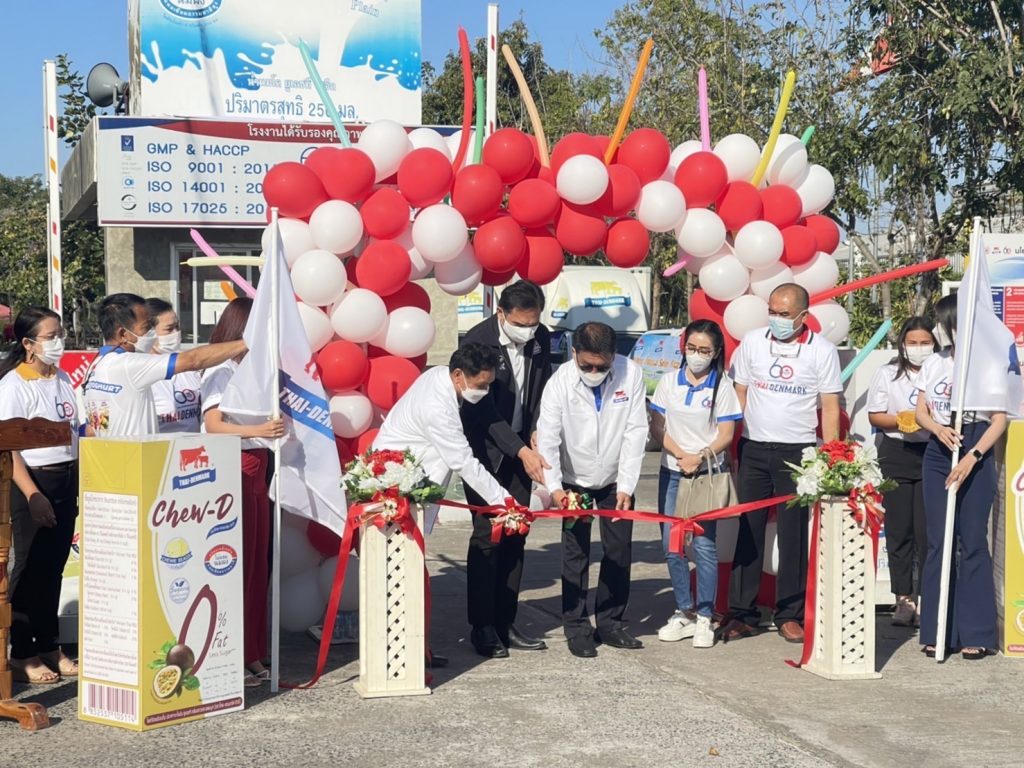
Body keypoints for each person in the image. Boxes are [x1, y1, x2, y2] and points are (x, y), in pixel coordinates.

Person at [720, 283, 842, 644]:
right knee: (748, 529)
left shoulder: (822, 351)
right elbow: (739, 393)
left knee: (793, 535)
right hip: (754, 448)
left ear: (803, 315)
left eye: (784, 314)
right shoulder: (752, 342)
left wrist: (831, 457)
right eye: (772, 311)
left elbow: (830, 407)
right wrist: (730, 444)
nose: (776, 319)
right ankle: (742, 613)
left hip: (798, 453)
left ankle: (789, 613)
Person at [536, 321, 648, 658]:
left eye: (602, 366)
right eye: (587, 366)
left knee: (618, 551)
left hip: (615, 481)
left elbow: (635, 430)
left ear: (614, 356)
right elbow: (548, 438)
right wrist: (555, 488)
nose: (595, 372)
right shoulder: (559, 383)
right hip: (574, 482)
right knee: (575, 554)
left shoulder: (631, 374)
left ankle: (611, 623)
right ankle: (576, 626)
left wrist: (627, 484)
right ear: (574, 353)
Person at [459, 280, 552, 658]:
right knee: (489, 535)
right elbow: (481, 410)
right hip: (486, 453)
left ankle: (505, 622)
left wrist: (538, 431)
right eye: (520, 324)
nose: (528, 330)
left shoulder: (541, 337)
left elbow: (541, 389)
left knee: (516, 533)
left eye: (533, 323)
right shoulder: (477, 342)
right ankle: (482, 626)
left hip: (521, 449)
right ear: (501, 313)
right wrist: (519, 449)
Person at [915, 295, 1007, 660]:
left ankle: (976, 631)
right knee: (939, 542)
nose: (940, 329)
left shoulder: (988, 365)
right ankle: (937, 630)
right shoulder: (935, 363)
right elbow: (921, 411)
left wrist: (973, 456)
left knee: (972, 541)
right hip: (940, 449)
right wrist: (937, 429)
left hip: (975, 449)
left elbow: (998, 420)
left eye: (944, 322)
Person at [200, 297, 285, 686]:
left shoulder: (256, 370)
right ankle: (234, 652)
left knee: (257, 565)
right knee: (238, 565)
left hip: (258, 465)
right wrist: (258, 431)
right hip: (233, 465)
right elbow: (214, 424)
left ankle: (252, 648)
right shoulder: (221, 370)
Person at [650, 320, 742, 649]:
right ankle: (684, 611)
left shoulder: (723, 386)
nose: (697, 355)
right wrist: (680, 455)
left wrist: (700, 457)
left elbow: (726, 433)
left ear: (716, 352)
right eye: (692, 348)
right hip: (673, 471)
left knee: (703, 546)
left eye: (704, 350)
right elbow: (657, 427)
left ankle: (705, 615)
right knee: (672, 545)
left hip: (705, 475)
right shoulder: (668, 382)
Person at [0, 307, 79, 683]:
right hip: (32, 483)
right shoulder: (13, 385)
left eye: (60, 334)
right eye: (51, 336)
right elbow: (9, 448)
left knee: (53, 568)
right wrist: (33, 494)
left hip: (67, 478)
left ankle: (48, 644)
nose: (58, 342)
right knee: (29, 568)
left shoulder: (62, 378)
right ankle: (22, 652)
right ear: (28, 344)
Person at [82, 292, 245, 437]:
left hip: (111, 455)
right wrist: (246, 342)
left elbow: (94, 428)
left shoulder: (96, 366)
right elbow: (193, 359)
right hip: (135, 458)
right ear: (123, 334)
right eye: (146, 327)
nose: (151, 333)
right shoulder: (127, 364)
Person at [867, 317, 936, 627]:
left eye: (925, 343)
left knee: (927, 533)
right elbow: (875, 415)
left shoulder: (943, 371)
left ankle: (928, 600)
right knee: (899, 531)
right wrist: (901, 420)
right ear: (902, 344)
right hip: (896, 453)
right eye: (912, 343)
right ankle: (903, 599)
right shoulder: (888, 373)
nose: (918, 349)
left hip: (932, 452)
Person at [145, 297, 201, 433]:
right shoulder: (141, 372)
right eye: (169, 329)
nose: (176, 333)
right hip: (161, 445)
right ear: (149, 333)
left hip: (195, 444)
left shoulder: (188, 365)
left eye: (177, 327)